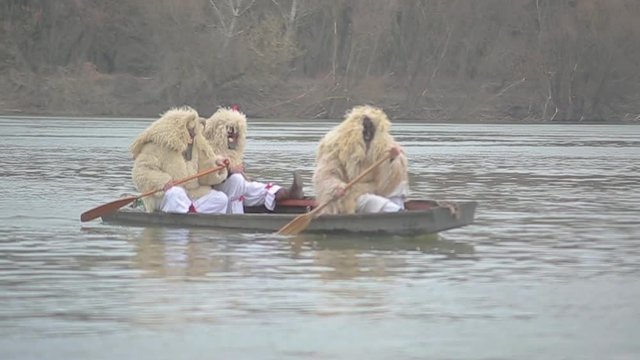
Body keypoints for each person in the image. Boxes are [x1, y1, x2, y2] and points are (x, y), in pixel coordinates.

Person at [130, 106, 233, 214]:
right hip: (163, 196)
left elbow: (203, 172)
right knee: (176, 193)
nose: (193, 137)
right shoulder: (156, 145)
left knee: (220, 199)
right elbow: (140, 172)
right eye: (190, 133)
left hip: (190, 194)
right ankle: (186, 212)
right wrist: (163, 181)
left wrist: (216, 165)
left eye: (194, 133)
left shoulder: (195, 146)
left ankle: (190, 211)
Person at [202, 106, 304, 214]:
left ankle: (286, 193)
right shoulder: (206, 151)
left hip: (237, 190)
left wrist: (245, 176)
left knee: (257, 188)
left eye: (237, 135)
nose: (234, 140)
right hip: (214, 192)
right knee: (236, 180)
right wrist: (229, 171)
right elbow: (206, 178)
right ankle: (234, 215)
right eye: (230, 135)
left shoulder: (234, 153)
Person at [312, 105, 409, 215]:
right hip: (349, 194)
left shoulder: (385, 145)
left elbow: (394, 179)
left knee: (400, 187)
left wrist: (392, 159)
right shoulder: (334, 145)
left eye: (371, 130)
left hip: (376, 189)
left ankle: (398, 210)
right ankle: (397, 212)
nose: (368, 134)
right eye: (365, 129)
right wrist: (335, 188)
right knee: (372, 202)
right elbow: (324, 175)